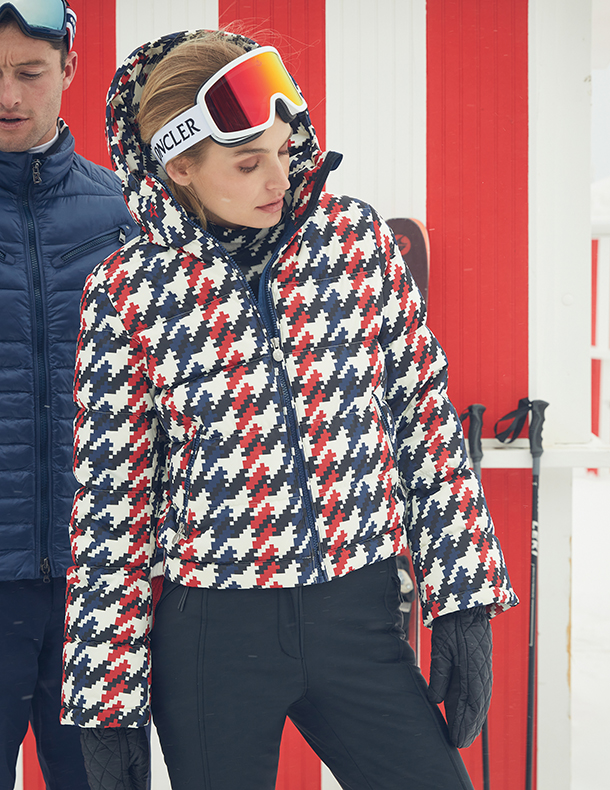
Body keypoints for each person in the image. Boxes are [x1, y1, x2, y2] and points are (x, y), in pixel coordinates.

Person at [61, 29, 518, 790]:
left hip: (358, 616)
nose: (281, 174)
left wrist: (463, 600)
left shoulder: (354, 244)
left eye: (282, 146)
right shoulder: (129, 293)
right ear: (181, 169)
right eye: (248, 162)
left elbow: (423, 423)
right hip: (211, 637)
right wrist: (108, 709)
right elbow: (113, 508)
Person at [0, 2, 139, 787]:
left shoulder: (124, 216)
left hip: (100, 591)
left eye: (29, 73)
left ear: (70, 73)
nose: (9, 96)